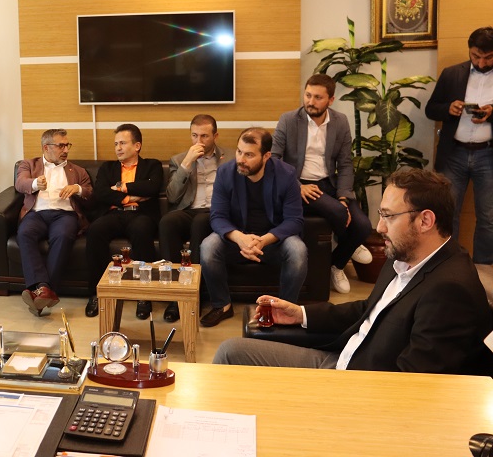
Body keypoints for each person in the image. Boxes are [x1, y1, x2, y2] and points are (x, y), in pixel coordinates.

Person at [213, 169, 492, 374]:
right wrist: (301, 314)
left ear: (425, 221)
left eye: (388, 216)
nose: (379, 227)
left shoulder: (450, 290)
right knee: (230, 351)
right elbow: (368, 310)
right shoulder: (406, 256)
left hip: (355, 385)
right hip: (343, 358)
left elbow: (412, 383)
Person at [273, 74, 372, 294]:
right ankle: (350, 244)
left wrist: (343, 197)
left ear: (331, 100)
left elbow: (345, 164)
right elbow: (274, 160)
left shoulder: (340, 121)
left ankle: (336, 264)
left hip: (329, 183)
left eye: (318, 97)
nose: (310, 101)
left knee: (364, 226)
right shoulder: (288, 120)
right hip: (299, 185)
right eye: (308, 95)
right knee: (338, 213)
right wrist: (297, 186)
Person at [199, 127, 307, 327]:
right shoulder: (225, 172)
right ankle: (222, 305)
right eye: (239, 151)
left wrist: (264, 240)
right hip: (237, 240)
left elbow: (294, 220)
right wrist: (240, 238)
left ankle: (285, 310)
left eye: (249, 155)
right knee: (208, 246)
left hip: (273, 241)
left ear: (266, 156)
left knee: (298, 250)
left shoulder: (286, 174)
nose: (241, 159)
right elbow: (217, 216)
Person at [425, 27, 493, 272]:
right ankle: (447, 267)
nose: (481, 63)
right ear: (469, 50)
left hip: (488, 155)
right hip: (454, 154)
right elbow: (431, 109)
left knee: (488, 218)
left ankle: (484, 271)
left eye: (488, 58)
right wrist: (448, 109)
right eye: (476, 56)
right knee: (447, 213)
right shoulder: (452, 74)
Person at [84, 124, 163, 318]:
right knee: (95, 231)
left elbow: (152, 188)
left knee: (142, 230)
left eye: (122, 143)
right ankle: (97, 293)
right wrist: (130, 197)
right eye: (116, 144)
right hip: (114, 214)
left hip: (141, 215)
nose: (118, 148)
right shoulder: (107, 168)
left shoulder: (152, 165)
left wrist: (121, 187)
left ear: (137, 146)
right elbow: (101, 193)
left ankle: (144, 295)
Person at [15, 129, 92, 317]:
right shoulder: (28, 164)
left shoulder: (78, 171)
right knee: (24, 233)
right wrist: (35, 184)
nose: (66, 150)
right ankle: (45, 289)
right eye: (61, 146)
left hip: (64, 215)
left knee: (64, 235)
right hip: (36, 214)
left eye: (67, 145)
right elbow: (20, 183)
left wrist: (77, 188)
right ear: (46, 147)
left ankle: (39, 292)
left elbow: (90, 193)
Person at [158, 114, 227, 322]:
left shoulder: (230, 157)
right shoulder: (179, 159)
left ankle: (193, 293)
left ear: (215, 136)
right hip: (190, 209)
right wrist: (186, 164)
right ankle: (175, 295)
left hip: (216, 211)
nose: (199, 141)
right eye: (194, 135)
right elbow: (172, 197)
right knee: (167, 222)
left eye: (204, 136)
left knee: (200, 222)